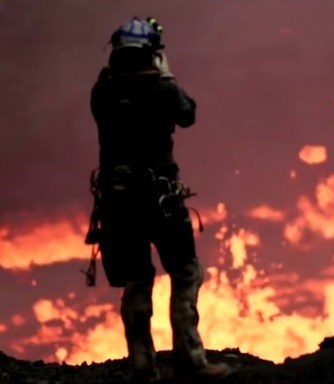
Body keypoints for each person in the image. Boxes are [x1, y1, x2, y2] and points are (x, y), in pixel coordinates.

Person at [87, 16, 231, 383]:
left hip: (119, 204)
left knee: (137, 279)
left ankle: (142, 366)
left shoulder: (102, 92)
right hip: (161, 200)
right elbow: (188, 113)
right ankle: (191, 359)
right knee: (185, 273)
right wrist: (165, 76)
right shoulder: (163, 90)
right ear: (152, 53)